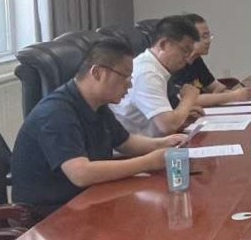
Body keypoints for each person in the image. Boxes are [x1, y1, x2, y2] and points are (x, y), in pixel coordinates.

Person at [11, 39, 190, 221]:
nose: (129, 85)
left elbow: (126, 142)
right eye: (125, 77)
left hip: (87, 198)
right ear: (97, 73)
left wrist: (164, 143)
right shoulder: (56, 113)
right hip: (52, 216)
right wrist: (148, 162)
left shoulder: (97, 104)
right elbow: (81, 174)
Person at [111, 15, 203, 137]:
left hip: (152, 141)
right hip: (136, 146)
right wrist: (188, 98)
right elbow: (167, 126)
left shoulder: (156, 67)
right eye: (184, 51)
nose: (188, 59)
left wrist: (182, 115)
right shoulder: (147, 73)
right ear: (163, 44)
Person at [167, 13, 251, 108]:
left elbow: (218, 87)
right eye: (204, 37)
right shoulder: (175, 64)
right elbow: (185, 100)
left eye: (209, 36)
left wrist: (213, 97)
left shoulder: (196, 60)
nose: (208, 41)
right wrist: (233, 96)